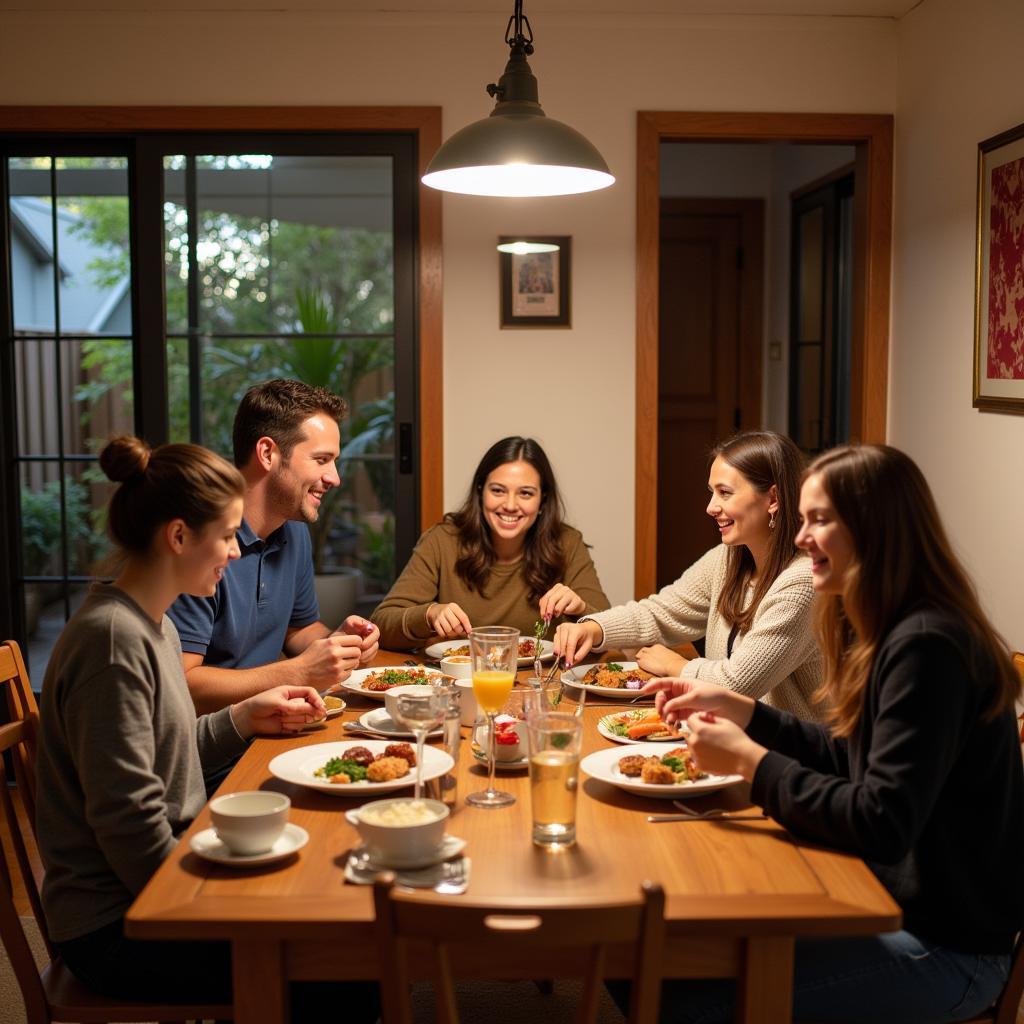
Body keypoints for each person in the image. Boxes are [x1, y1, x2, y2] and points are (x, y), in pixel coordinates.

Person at [640, 444, 1024, 1023]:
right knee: (660, 962)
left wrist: (752, 762)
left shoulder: (928, 647)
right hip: (891, 900)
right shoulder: (897, 625)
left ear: (874, 531)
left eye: (819, 520)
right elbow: (852, 755)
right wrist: (750, 715)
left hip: (946, 945)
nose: (800, 538)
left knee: (679, 997)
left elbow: (881, 822)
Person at [34, 435, 379, 1020]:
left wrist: (245, 716)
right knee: (345, 967)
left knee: (331, 907)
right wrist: (211, 904)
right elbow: (128, 819)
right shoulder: (115, 643)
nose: (236, 554)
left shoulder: (153, 624)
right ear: (177, 537)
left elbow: (162, 754)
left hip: (162, 879)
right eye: (225, 536)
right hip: (118, 924)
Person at [555, 431, 824, 721]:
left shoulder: (804, 582)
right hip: (731, 738)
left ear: (772, 498)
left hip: (795, 760)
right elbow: (660, 612)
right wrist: (594, 628)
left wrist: (674, 665)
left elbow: (736, 684)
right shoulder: (729, 558)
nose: (711, 507)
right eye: (712, 492)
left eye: (725, 493)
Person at [169, 379, 380, 716]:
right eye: (322, 459)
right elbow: (182, 684)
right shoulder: (200, 542)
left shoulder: (293, 529)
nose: (335, 477)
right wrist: (296, 672)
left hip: (269, 727)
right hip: (212, 751)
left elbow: (299, 629)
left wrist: (338, 646)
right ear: (267, 453)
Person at [372, 436, 610, 649]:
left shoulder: (567, 543)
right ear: (480, 490)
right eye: (498, 490)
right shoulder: (443, 540)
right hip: (459, 685)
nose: (509, 504)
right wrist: (429, 614)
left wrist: (580, 610)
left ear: (542, 500)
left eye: (525, 493)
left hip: (542, 688)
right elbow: (381, 624)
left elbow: (609, 628)